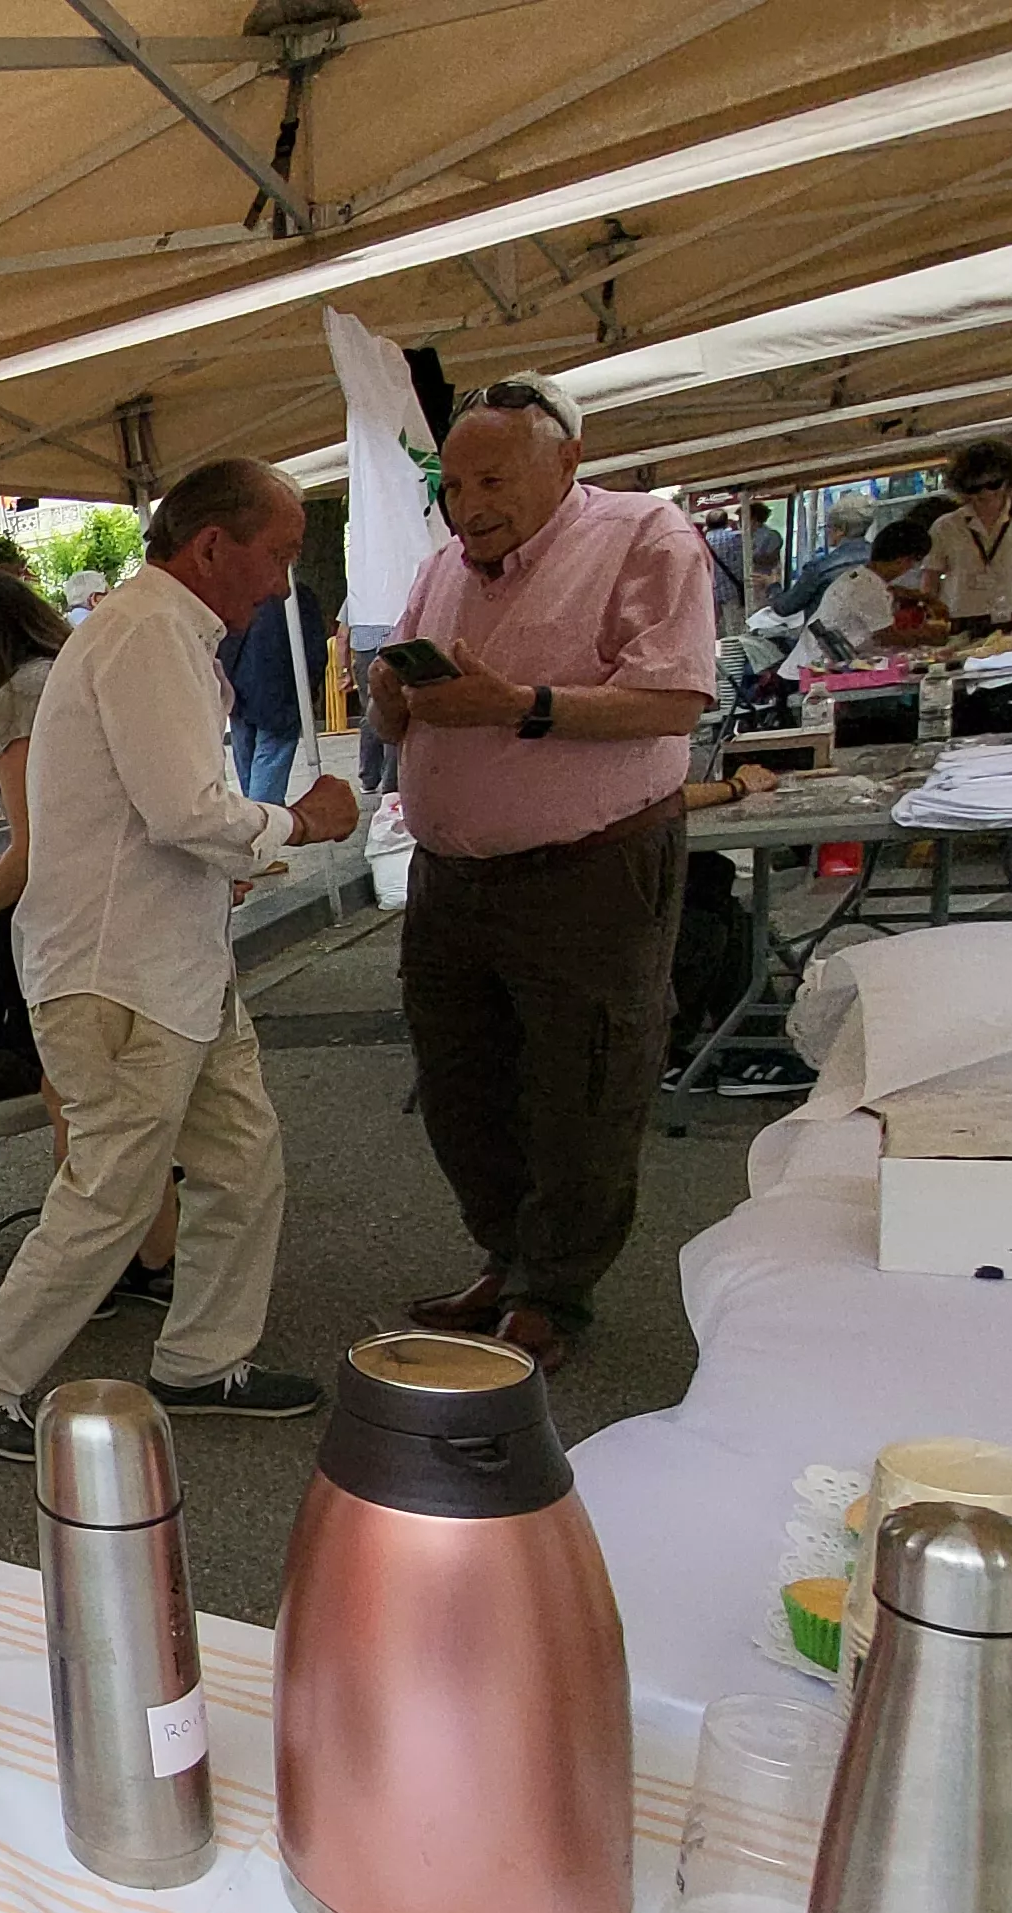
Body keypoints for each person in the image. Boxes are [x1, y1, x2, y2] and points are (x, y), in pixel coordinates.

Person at [0, 460, 360, 1461]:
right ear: (212, 545)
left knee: (239, 1157)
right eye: (278, 554)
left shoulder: (150, 632)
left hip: (165, 964)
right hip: (122, 973)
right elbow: (185, 810)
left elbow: (152, 815)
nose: (283, 582)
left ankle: (203, 1357)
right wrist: (299, 819)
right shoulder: (147, 631)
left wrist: (241, 854)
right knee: (115, 1187)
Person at [366, 372, 716, 1375]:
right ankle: (505, 1254)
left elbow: (671, 700)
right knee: (460, 1082)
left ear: (564, 459)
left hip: (587, 869)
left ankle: (554, 1289)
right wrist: (390, 693)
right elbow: (399, 717)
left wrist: (519, 703)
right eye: (454, 482)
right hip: (450, 876)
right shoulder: (440, 567)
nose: (467, 501)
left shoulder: (646, 535)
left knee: (584, 1082)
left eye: (491, 477)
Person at [0, 567, 180, 1304]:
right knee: (132, 1114)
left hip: (81, 938)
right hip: (144, 920)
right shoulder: (73, 670)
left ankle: (95, 1275)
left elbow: (42, 849)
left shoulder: (17, 703)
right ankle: (156, 1258)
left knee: (79, 1107)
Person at [927, 439, 1012, 629]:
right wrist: (934, 621)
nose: (985, 493)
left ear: (1009, 481)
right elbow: (931, 577)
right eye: (974, 488)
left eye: (994, 484)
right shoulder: (944, 526)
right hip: (963, 617)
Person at [798, 511, 939, 673]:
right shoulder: (865, 587)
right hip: (815, 671)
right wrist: (931, 637)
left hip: (834, 664)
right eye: (915, 562)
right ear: (903, 560)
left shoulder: (867, 580)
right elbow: (887, 637)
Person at [225, 589, 323, 804]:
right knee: (268, 770)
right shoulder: (297, 597)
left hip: (239, 692)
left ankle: (254, 822)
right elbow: (315, 652)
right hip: (280, 695)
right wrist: (309, 692)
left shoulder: (236, 593)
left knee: (250, 770)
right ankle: (261, 826)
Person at [772, 491, 877, 620]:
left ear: (841, 530)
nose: (826, 532)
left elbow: (785, 607)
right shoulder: (882, 559)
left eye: (828, 527)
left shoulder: (820, 568)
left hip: (829, 636)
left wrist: (773, 585)